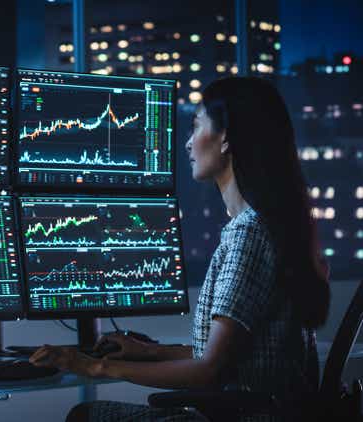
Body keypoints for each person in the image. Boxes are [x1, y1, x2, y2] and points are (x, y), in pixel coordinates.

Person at [29, 77, 331, 421]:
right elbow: (225, 355)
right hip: (259, 412)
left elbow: (209, 371)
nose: (188, 143)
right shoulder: (269, 227)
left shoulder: (249, 234)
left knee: (86, 415)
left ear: (226, 138)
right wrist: (146, 351)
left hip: (239, 417)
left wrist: (96, 366)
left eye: (196, 126)